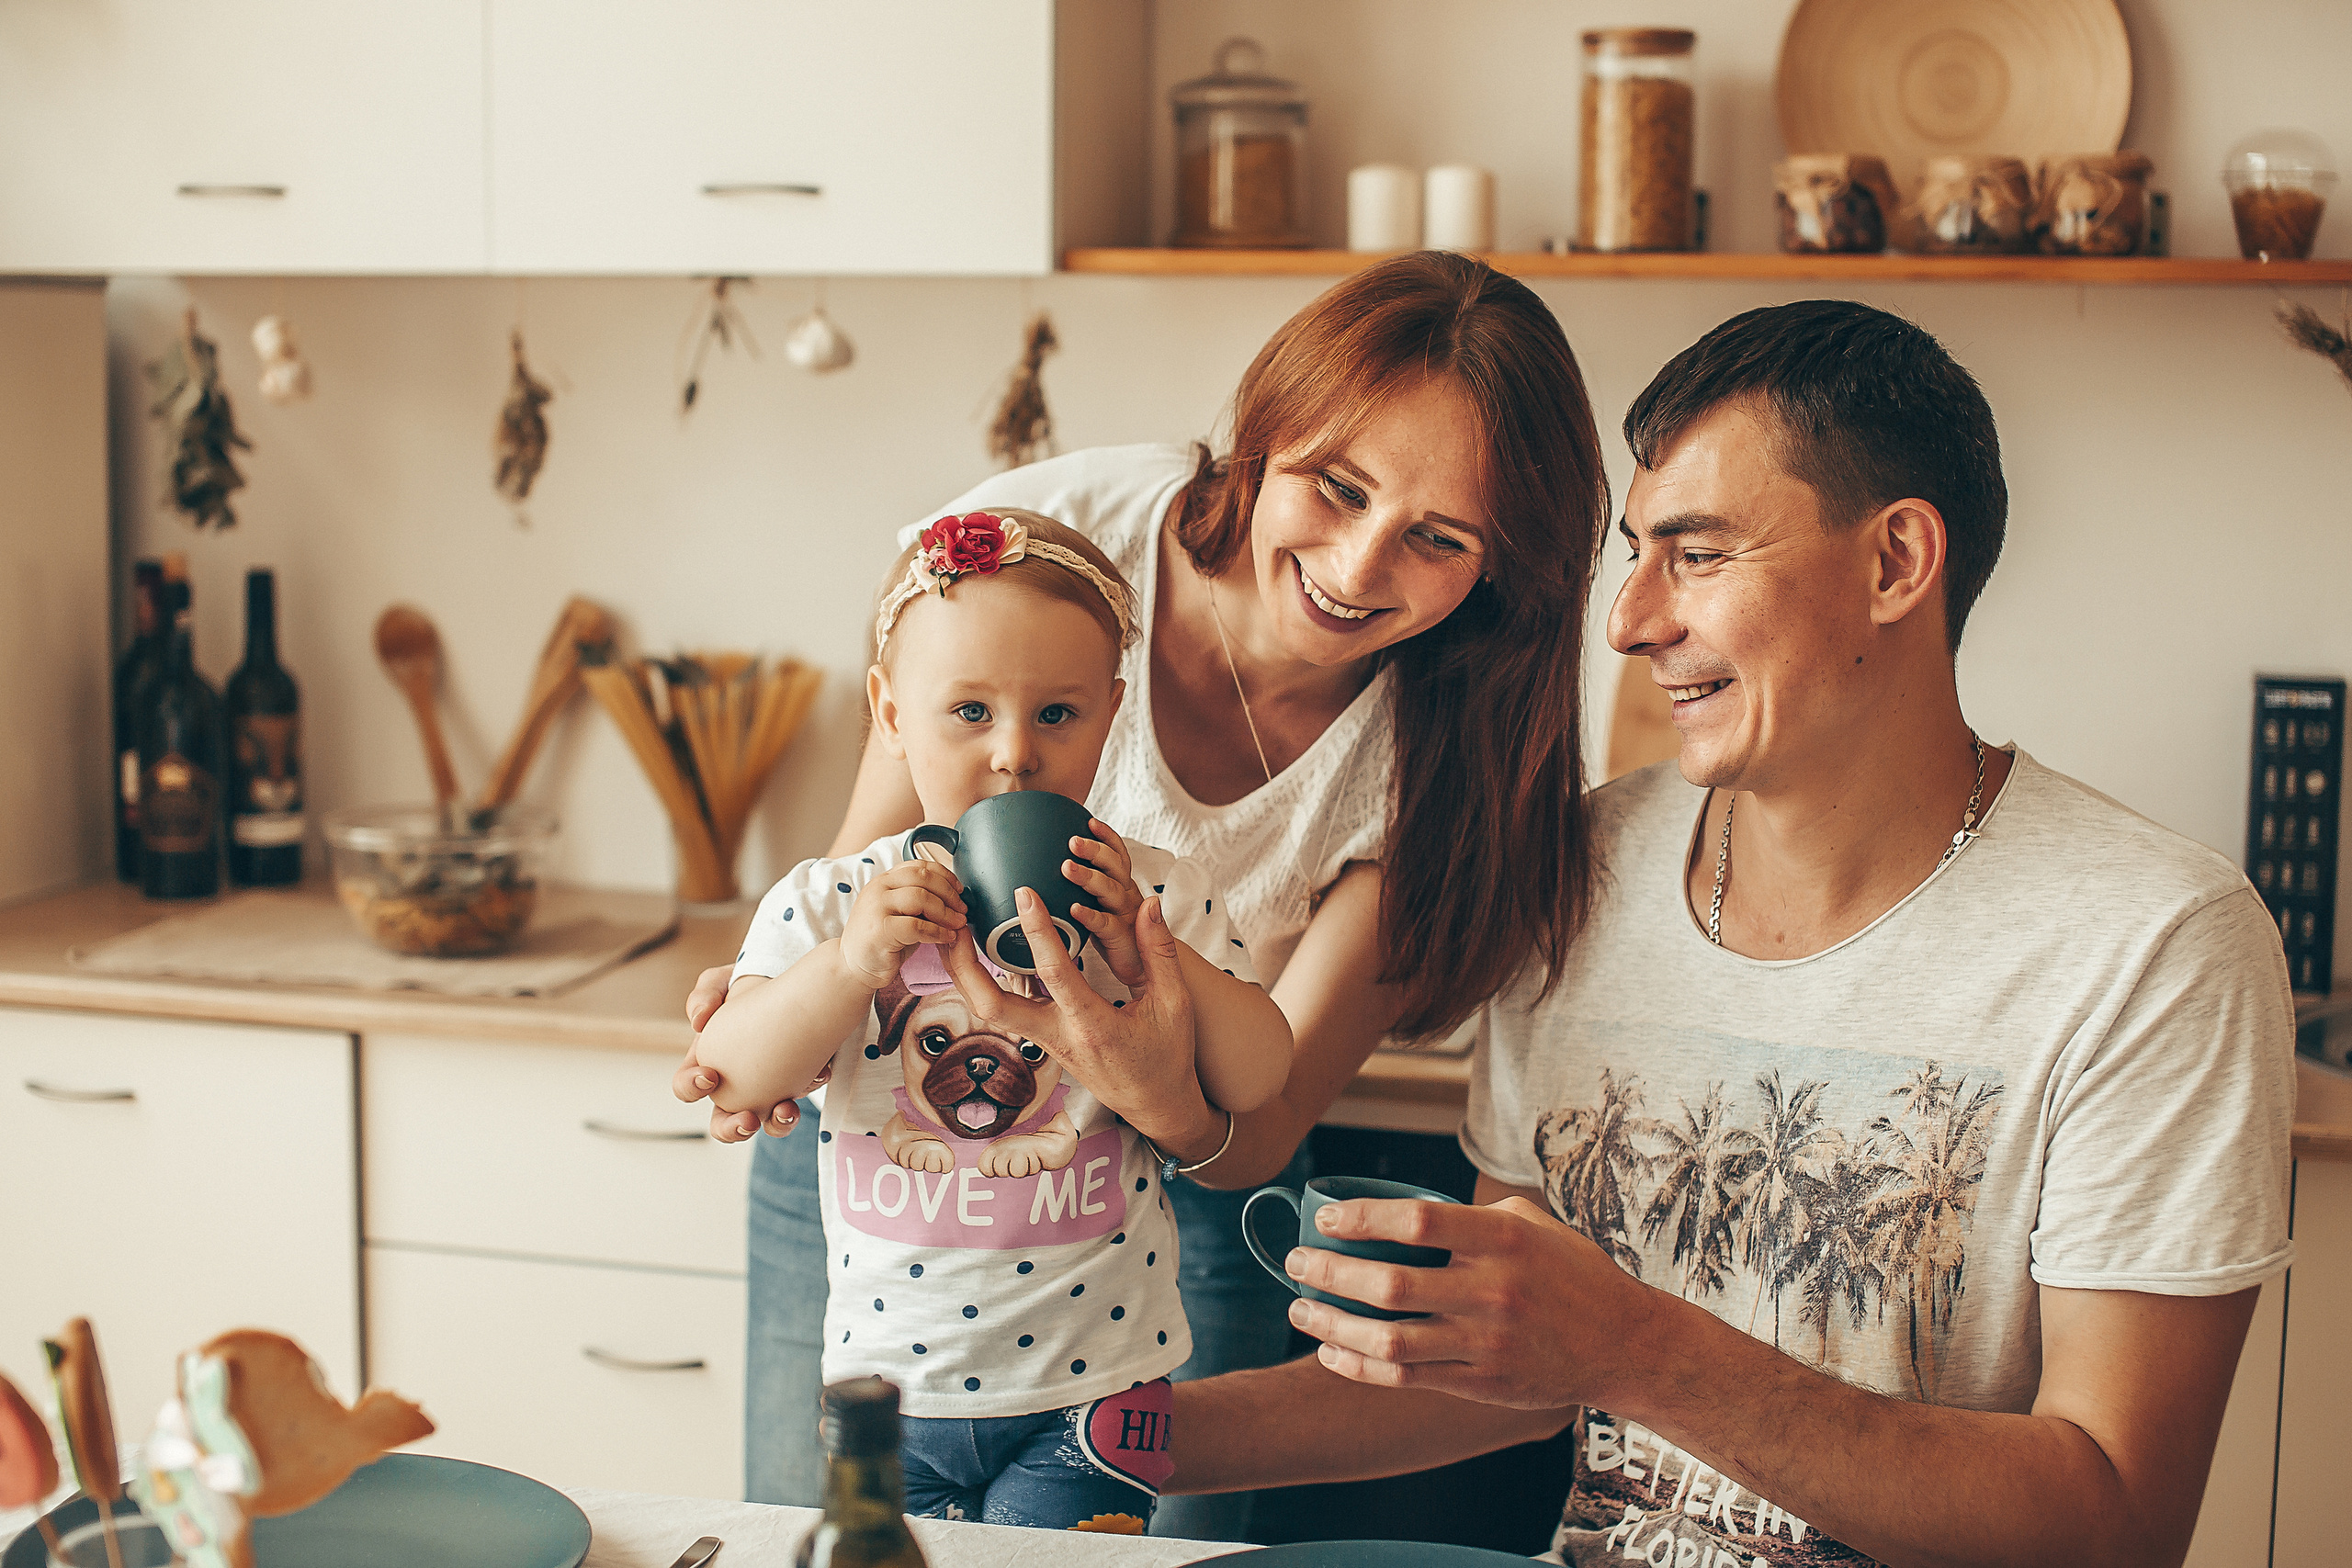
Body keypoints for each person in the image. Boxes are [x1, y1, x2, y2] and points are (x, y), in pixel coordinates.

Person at [1167, 299, 2300, 1567]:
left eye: (1697, 555)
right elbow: (1501, 1375)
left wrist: (1635, 1346)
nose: (1629, 622)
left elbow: (2116, 1520)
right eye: (1634, 556)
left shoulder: (2153, 945)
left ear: (1895, 563)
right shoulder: (1579, 868)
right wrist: (1123, 1430)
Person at [677, 251, 1611, 1535]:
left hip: (1159, 1199)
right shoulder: (1046, 541)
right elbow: (861, 871)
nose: (1357, 563)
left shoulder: (1454, 757)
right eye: (1338, 486)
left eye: (1439, 538)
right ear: (1267, 434)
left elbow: (1260, 1117)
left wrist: (1140, 1074)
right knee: (831, 1539)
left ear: (1500, 567)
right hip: (883, 1176)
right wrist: (785, 1001)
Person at [696, 509, 1291, 1531]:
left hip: (1097, 1392)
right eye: (969, 711)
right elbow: (732, 1073)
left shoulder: (1156, 895)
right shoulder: (831, 904)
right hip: (884, 1392)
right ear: (890, 714)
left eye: (1057, 714)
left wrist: (1149, 948)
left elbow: (1260, 1071)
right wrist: (850, 966)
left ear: (1112, 715)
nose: (1015, 754)